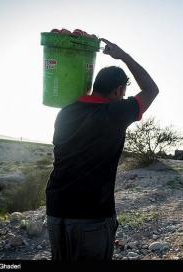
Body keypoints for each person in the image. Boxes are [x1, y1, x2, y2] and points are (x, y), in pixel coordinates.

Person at [45, 36, 159, 260]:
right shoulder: (116, 112)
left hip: (56, 209)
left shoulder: (66, 112)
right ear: (117, 91)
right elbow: (151, 89)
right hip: (91, 215)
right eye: (124, 93)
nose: (124, 97)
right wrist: (123, 55)